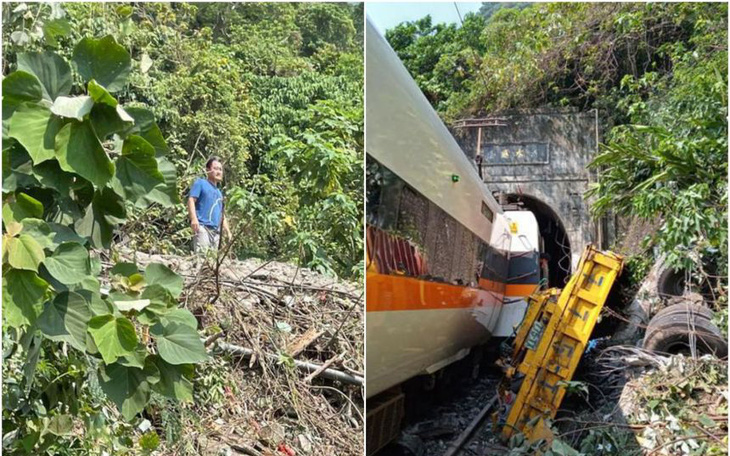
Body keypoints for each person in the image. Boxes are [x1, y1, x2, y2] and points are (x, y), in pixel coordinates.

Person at [187, 156, 232, 252]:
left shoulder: (219, 193)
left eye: (220, 169)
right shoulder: (201, 183)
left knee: (211, 260)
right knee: (202, 256)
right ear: (207, 170)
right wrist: (194, 219)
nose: (219, 172)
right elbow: (191, 200)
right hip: (202, 226)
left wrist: (227, 231)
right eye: (215, 169)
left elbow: (221, 214)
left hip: (216, 231)